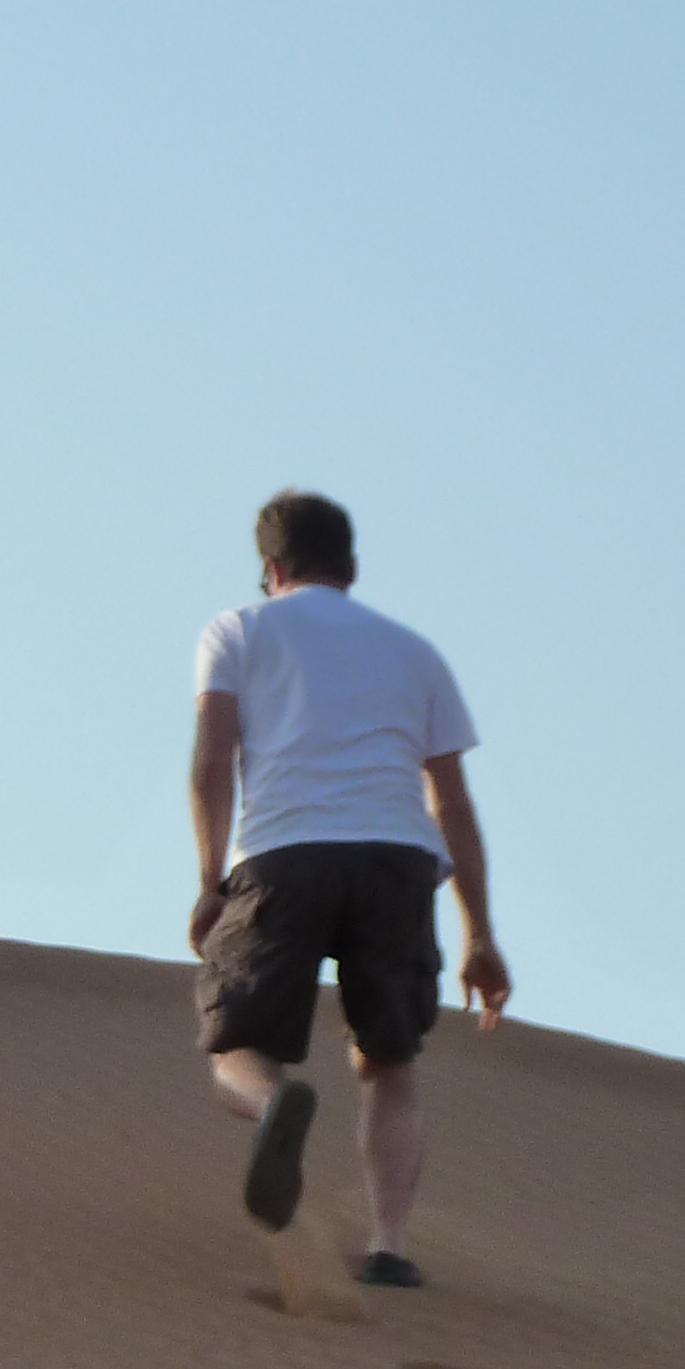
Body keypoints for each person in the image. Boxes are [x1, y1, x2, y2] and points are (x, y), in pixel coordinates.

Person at [188, 490, 511, 1286]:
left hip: (284, 853)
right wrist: (480, 935)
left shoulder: (238, 629)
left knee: (239, 1048)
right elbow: (453, 803)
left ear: (271, 567)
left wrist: (208, 881)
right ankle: (389, 1248)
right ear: (351, 566)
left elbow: (212, 760)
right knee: (388, 1061)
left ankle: (274, 1110)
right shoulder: (416, 652)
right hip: (397, 862)